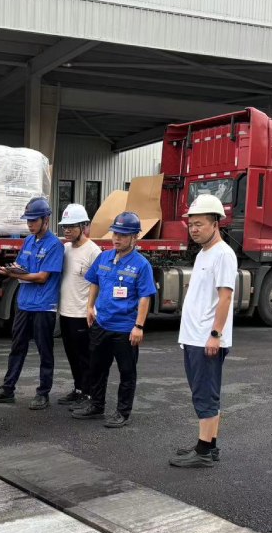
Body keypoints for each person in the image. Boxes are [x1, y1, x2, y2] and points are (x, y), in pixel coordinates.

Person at [169, 194, 238, 469]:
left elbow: (226, 297)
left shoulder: (223, 254)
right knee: (204, 391)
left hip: (206, 338)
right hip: (194, 336)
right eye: (191, 224)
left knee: (204, 394)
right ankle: (209, 444)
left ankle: (203, 452)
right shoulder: (203, 254)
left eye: (199, 224)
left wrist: (215, 334)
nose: (194, 229)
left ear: (215, 224)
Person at [71, 211, 156, 428]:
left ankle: (122, 412)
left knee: (127, 372)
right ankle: (96, 405)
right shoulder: (104, 257)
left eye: (123, 235)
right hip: (102, 324)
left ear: (135, 237)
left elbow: (145, 296)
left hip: (125, 328)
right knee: (97, 368)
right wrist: (90, 307)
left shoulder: (141, 265)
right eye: (115, 233)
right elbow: (94, 281)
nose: (117, 238)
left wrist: (139, 326)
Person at [0, 196, 64, 410]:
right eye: (28, 220)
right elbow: (21, 266)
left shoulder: (55, 245)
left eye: (34, 220)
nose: (29, 224)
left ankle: (43, 393)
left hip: (43, 306)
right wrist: (8, 270)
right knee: (17, 348)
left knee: (45, 351)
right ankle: (7, 389)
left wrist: (15, 274)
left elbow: (42, 277)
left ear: (46, 219)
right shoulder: (28, 241)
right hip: (25, 304)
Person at [57, 203, 101, 406]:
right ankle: (78, 388)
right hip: (65, 312)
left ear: (83, 226)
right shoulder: (65, 249)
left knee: (85, 356)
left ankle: (89, 392)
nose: (67, 230)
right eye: (64, 226)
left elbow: (98, 284)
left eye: (71, 226)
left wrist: (91, 308)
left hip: (82, 314)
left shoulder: (93, 251)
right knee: (71, 354)